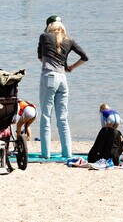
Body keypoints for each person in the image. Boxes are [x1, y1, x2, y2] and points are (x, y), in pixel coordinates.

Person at [37, 15, 88, 159]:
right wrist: (71, 67)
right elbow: (85, 57)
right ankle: (67, 153)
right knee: (62, 118)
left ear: (49, 26)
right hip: (63, 80)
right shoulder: (69, 40)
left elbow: (40, 57)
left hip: (49, 77)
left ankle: (46, 154)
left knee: (46, 116)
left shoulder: (44, 36)